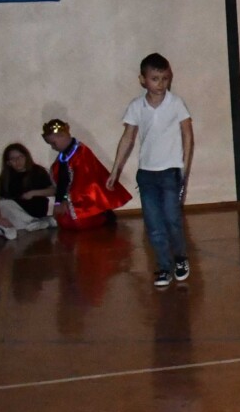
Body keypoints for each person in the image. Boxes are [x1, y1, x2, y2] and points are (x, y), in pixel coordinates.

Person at [109, 52, 196, 289]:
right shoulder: (137, 107)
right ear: (142, 80)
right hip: (147, 174)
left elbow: (187, 135)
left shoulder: (176, 103)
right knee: (154, 224)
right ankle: (163, 266)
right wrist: (116, 169)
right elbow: (127, 138)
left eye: (165, 78)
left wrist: (184, 168)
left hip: (170, 171)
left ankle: (180, 257)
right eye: (155, 78)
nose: (161, 84)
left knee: (172, 219)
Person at [41, 119, 131, 230]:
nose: (52, 147)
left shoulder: (81, 153)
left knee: (76, 223)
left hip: (87, 198)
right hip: (72, 199)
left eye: (53, 143)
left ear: (62, 136)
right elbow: (62, 181)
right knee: (65, 222)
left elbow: (83, 182)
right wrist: (59, 201)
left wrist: (65, 199)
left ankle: (103, 215)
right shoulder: (64, 156)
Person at [0, 143, 57, 232]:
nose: (17, 161)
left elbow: (53, 191)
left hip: (35, 208)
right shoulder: (6, 177)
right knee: (0, 205)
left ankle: (33, 221)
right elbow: (2, 198)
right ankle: (35, 223)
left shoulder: (37, 171)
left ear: (26, 157)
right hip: (17, 212)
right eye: (13, 159)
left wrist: (33, 193)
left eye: (20, 157)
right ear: (8, 163)